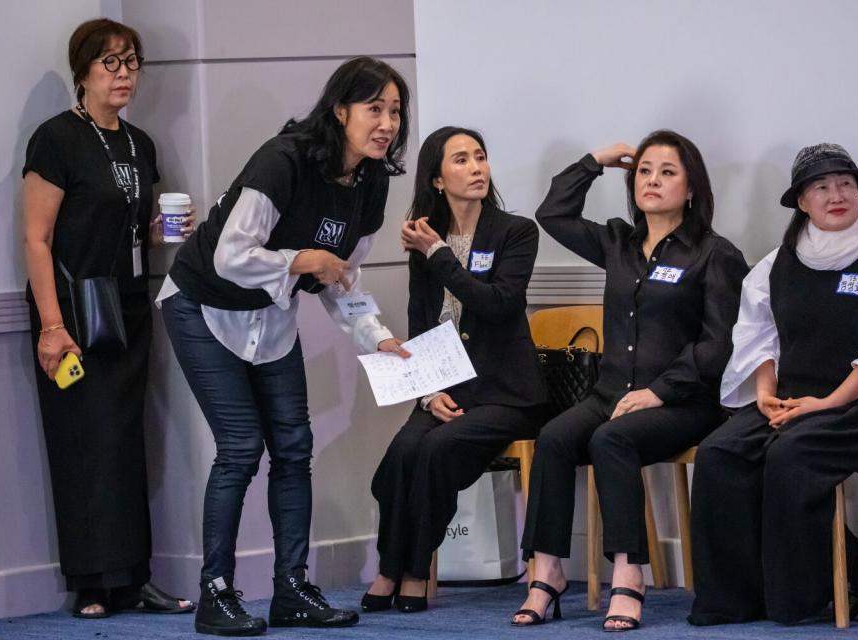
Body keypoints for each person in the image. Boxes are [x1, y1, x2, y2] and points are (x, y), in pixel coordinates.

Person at [158, 56, 411, 636]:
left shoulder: (371, 184)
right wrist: (302, 259)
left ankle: (292, 588)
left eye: (395, 111)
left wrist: (380, 337)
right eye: (375, 108)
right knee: (242, 447)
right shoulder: (283, 161)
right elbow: (230, 254)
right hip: (202, 306)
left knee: (294, 447)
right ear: (340, 109)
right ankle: (215, 594)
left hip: (269, 319)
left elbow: (340, 280)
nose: (388, 123)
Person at [512, 130, 748, 630]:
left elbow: (718, 343)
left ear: (691, 189)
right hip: (610, 393)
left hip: (685, 403)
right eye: (644, 171)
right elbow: (552, 214)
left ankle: (629, 571)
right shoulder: (617, 241)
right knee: (554, 437)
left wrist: (659, 391)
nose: (652, 181)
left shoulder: (713, 253)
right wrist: (595, 161)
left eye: (667, 172)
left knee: (611, 440)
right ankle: (548, 570)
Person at [687, 143, 858, 626]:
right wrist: (764, 395)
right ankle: (734, 598)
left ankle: (812, 591)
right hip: (793, 401)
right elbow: (759, 338)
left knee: (790, 454)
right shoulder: (776, 265)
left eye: (845, 184)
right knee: (720, 453)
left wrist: (826, 404)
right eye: (821, 186)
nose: (836, 194)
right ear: (802, 201)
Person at [23, 18, 195, 620]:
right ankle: (91, 583)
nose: (123, 75)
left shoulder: (138, 143)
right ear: (84, 72)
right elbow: (37, 239)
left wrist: (157, 231)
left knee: (126, 444)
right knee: (83, 442)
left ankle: (133, 579)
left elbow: (127, 226)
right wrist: (50, 324)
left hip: (126, 305)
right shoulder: (56, 139)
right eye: (110, 63)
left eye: (131, 63)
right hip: (72, 309)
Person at [361, 126, 548, 614]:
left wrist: (440, 256)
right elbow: (421, 324)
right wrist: (427, 394)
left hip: (507, 394)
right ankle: (389, 568)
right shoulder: (424, 237)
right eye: (461, 160)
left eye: (480, 157)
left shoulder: (515, 231)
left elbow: (499, 306)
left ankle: (416, 570)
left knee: (437, 451)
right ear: (438, 179)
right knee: (402, 453)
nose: (476, 168)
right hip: (447, 390)